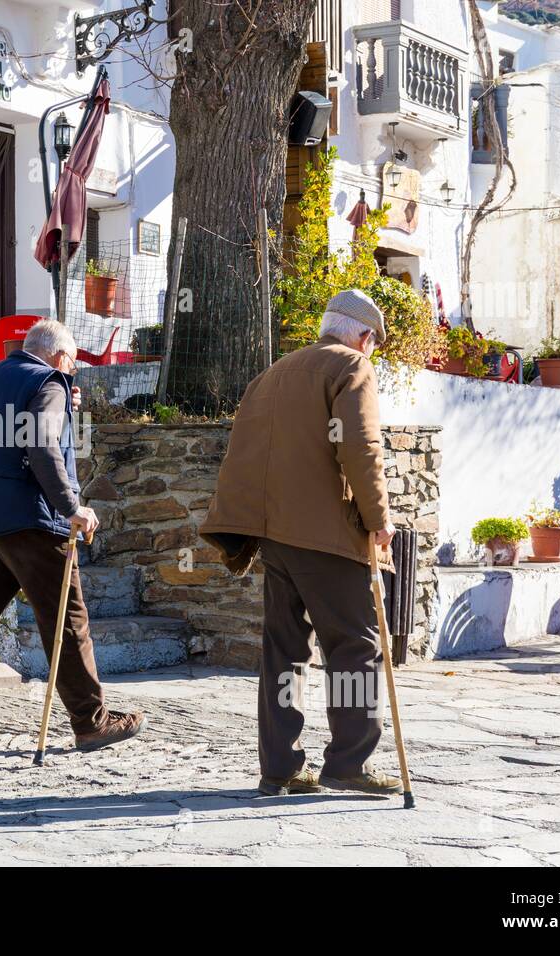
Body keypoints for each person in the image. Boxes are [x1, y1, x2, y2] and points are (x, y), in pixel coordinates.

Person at [200, 289, 401, 796]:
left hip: (275, 536)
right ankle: (348, 764)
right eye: (372, 342)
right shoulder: (352, 366)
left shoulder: (274, 373)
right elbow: (361, 445)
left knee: (284, 651)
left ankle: (280, 769)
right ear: (364, 335)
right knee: (355, 647)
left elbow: (243, 451)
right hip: (327, 536)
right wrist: (378, 518)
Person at [0, 319, 146, 756]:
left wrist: (63, 398)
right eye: (72, 368)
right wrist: (72, 506)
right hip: (32, 521)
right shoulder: (50, 383)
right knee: (68, 622)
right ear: (61, 358)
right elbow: (43, 445)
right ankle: (91, 722)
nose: (73, 376)